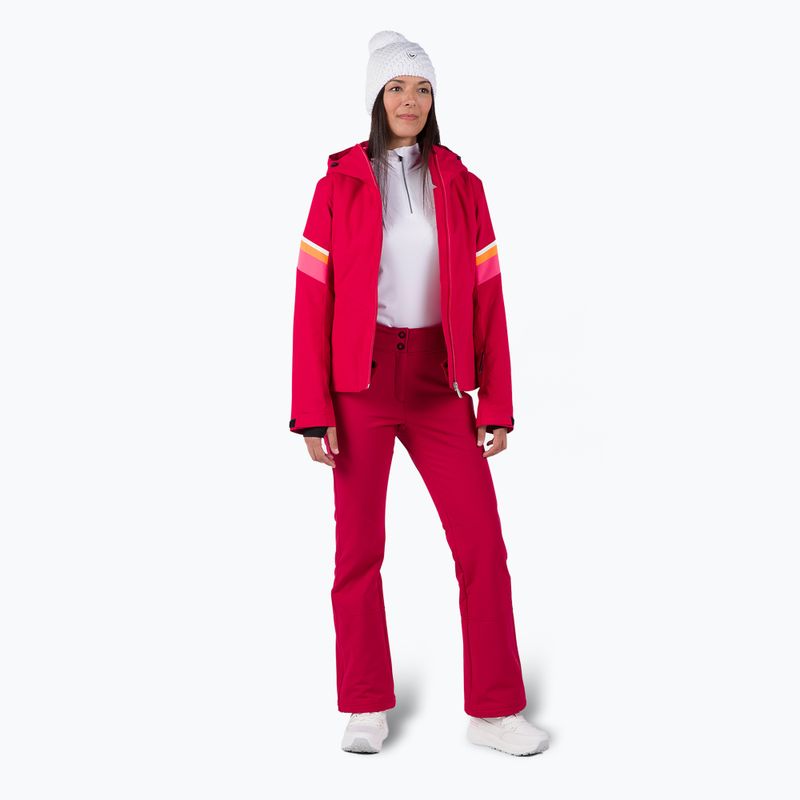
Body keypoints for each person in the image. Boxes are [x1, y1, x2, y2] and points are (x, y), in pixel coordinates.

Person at [289, 30, 550, 757]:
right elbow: (312, 300)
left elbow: (489, 297)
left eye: (423, 88)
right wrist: (311, 410)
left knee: (482, 545)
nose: (411, 100)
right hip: (361, 384)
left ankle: (495, 711)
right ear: (377, 98)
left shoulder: (463, 185)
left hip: (440, 383)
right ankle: (364, 704)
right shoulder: (338, 185)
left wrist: (495, 402)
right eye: (397, 87)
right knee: (358, 550)